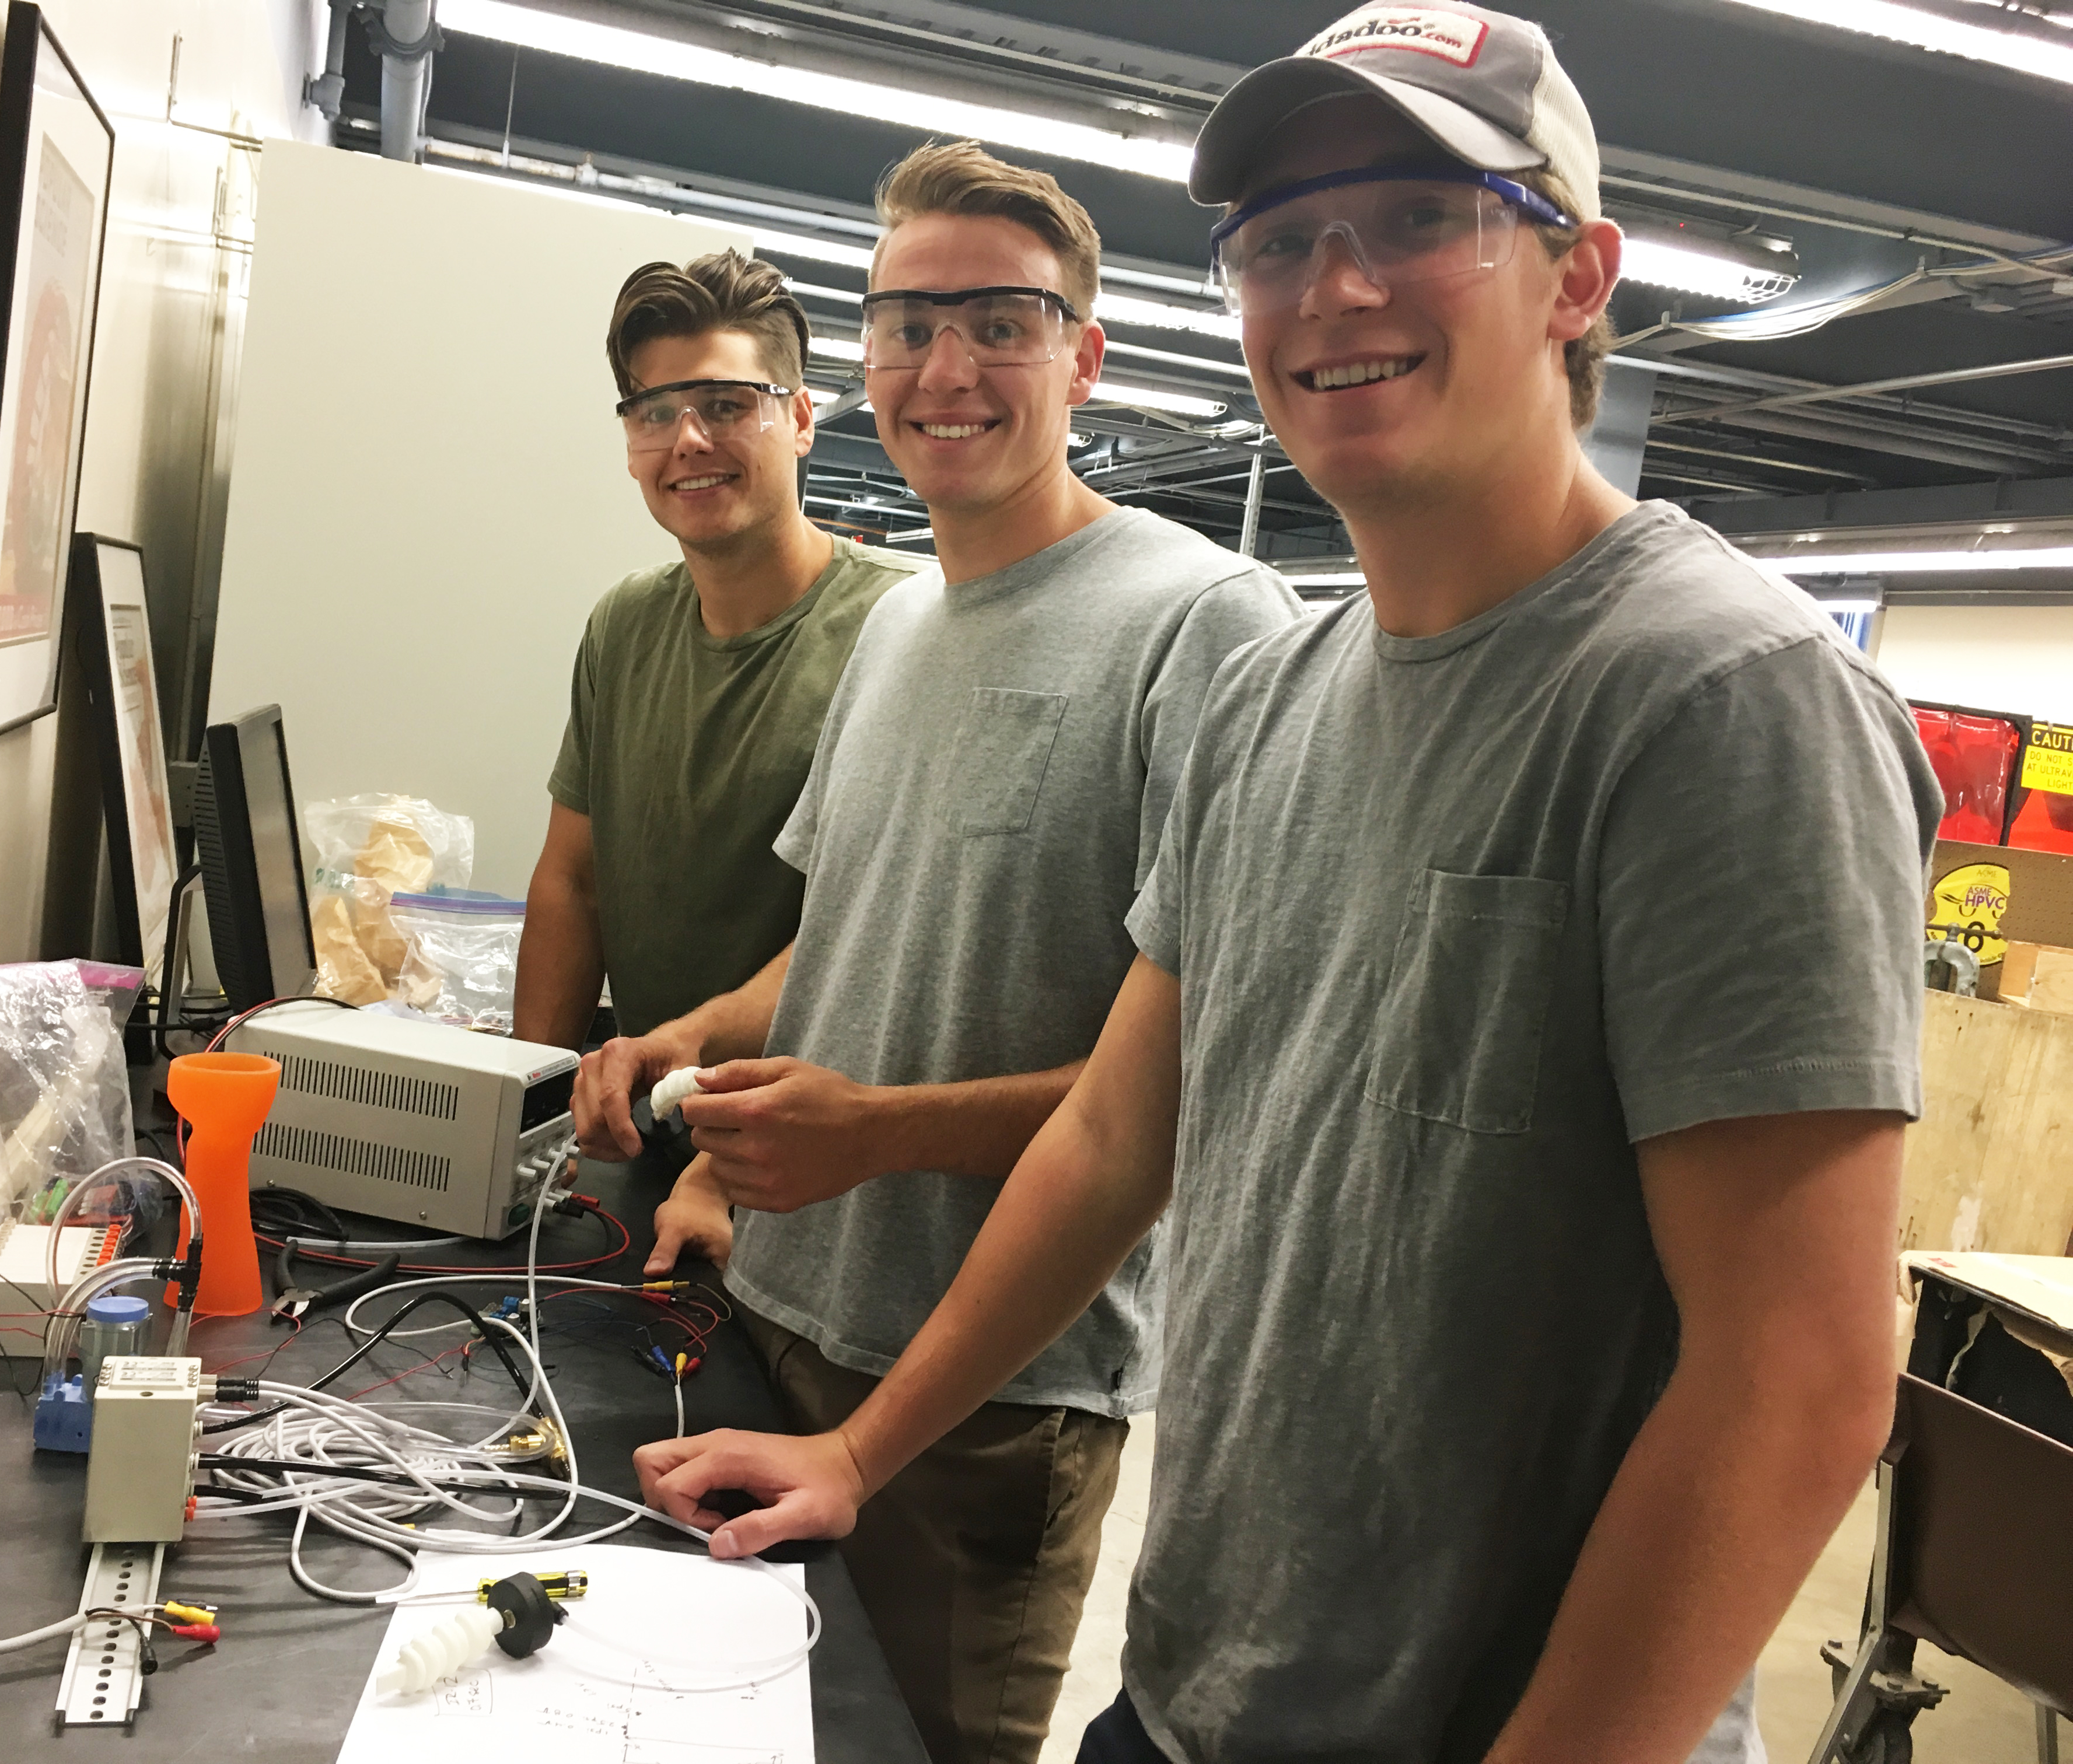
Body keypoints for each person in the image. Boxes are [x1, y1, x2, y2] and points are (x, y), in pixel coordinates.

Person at [631, 9, 1946, 1764]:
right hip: (1191, 1704)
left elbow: (1797, 1379)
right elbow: (1117, 1138)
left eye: (1418, 216)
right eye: (1277, 241)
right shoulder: (1271, 696)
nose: (1333, 288)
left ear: (1576, 278)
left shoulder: (1718, 697)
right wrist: (862, 1454)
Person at [571, 144, 1301, 1764]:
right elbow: (839, 940)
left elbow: (1197, 1084)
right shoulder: (904, 621)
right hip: (774, 1323)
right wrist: (682, 1044)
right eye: (907, 323)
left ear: (1085, 355)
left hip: (985, 1407)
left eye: (1001, 322)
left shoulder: (1212, 630)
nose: (945, 368)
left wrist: (874, 1137)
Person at [512, 251, 917, 1059]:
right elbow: (574, 882)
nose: (688, 440)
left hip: (817, 1151)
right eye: (654, 414)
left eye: (726, 405)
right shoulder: (624, 627)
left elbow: (892, 937)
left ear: (802, 419)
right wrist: (521, 1115)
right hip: (645, 1128)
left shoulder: (904, 626)